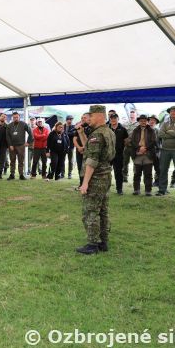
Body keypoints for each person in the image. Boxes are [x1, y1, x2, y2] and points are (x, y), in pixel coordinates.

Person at [77, 105, 115, 255]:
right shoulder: (108, 132)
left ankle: (92, 244)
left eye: (91, 116)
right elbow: (90, 148)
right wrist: (81, 133)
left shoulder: (97, 134)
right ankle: (103, 242)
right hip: (106, 175)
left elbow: (92, 160)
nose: (89, 119)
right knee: (103, 210)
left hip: (96, 177)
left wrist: (85, 183)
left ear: (99, 116)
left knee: (91, 211)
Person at [130, 115, 157, 196]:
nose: (143, 122)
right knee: (137, 173)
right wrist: (139, 148)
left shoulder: (151, 130)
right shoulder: (135, 130)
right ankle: (136, 190)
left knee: (148, 174)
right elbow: (132, 141)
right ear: (139, 121)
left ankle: (148, 191)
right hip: (137, 154)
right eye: (141, 121)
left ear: (147, 121)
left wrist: (145, 148)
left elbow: (153, 141)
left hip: (148, 154)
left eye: (145, 121)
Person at [6, 112, 32, 180]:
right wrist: (10, 145)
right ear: (12, 118)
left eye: (17, 117)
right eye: (14, 117)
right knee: (12, 160)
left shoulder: (23, 124)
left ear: (19, 117)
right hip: (12, 146)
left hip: (21, 145)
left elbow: (30, 132)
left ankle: (21, 175)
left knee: (21, 161)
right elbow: (7, 136)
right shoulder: (9, 125)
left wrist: (28, 142)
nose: (16, 118)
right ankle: (12, 174)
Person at [109, 114, 128, 195]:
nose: (113, 120)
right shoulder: (107, 128)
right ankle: (106, 188)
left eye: (115, 118)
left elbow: (126, 141)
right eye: (111, 118)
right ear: (110, 119)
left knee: (118, 172)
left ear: (118, 119)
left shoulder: (123, 129)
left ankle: (119, 189)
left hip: (119, 154)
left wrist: (122, 148)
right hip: (108, 154)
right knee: (106, 171)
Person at [74, 113, 92, 187]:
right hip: (79, 151)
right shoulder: (80, 127)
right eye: (82, 118)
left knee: (87, 168)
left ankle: (87, 184)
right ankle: (81, 184)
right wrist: (79, 147)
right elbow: (74, 138)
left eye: (84, 117)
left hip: (88, 152)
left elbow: (90, 143)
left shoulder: (91, 128)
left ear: (89, 118)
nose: (82, 119)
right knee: (80, 167)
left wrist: (84, 148)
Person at [122, 109, 138, 183]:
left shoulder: (138, 124)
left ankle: (136, 177)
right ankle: (124, 177)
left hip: (135, 147)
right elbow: (122, 134)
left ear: (136, 115)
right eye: (131, 114)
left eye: (133, 114)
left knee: (136, 163)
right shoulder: (125, 124)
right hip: (126, 147)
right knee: (125, 162)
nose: (132, 115)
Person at [148, 115, 161, 186]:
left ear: (156, 122)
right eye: (151, 120)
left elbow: (161, 141)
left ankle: (157, 181)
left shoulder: (158, 130)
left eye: (154, 120)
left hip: (156, 152)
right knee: (148, 168)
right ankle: (149, 182)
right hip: (147, 152)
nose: (152, 121)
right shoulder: (145, 130)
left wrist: (159, 149)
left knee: (158, 168)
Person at [0, 113, 9, 178]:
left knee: (2, 159)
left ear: (5, 118)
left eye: (4, 117)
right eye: (2, 116)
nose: (3, 118)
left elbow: (9, 136)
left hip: (4, 146)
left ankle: (0, 173)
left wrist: (9, 145)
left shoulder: (7, 126)